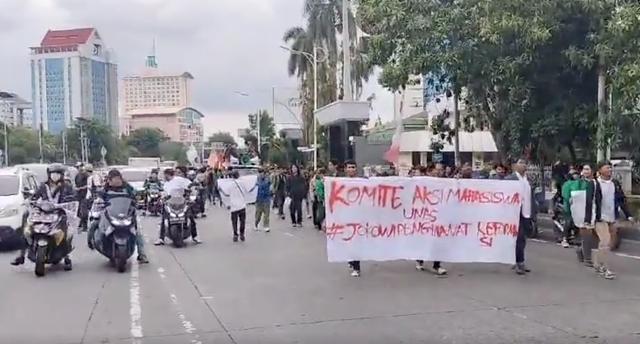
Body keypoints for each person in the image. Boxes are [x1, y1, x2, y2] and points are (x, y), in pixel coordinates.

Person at [11, 163, 75, 269]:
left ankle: (67, 257)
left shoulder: (66, 187)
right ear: (49, 174)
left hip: (59, 212)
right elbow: (35, 196)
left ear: (62, 175)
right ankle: (21, 255)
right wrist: (29, 201)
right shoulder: (43, 186)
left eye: (58, 173)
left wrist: (69, 203)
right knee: (27, 224)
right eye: (53, 173)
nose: (55, 176)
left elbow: (72, 197)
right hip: (44, 212)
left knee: (65, 231)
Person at [89, 169, 149, 263]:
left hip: (126, 214)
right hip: (109, 214)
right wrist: (99, 200)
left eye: (118, 179)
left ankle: (142, 254)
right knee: (94, 224)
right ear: (109, 180)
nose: (117, 181)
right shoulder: (105, 189)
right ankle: (92, 242)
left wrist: (136, 201)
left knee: (136, 232)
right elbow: (99, 197)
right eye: (114, 179)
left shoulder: (127, 188)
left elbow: (135, 196)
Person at [155, 167, 200, 245]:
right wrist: (161, 199)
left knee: (190, 217)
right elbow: (164, 193)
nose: (164, 177)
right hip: (170, 203)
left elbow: (190, 185)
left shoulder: (179, 180)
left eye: (165, 175)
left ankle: (195, 236)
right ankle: (161, 238)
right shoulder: (166, 184)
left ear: (167, 175)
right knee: (164, 218)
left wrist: (192, 193)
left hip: (181, 202)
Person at [507, 160, 535, 275]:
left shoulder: (527, 179)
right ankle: (519, 262)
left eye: (524, 164)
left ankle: (519, 261)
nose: (523, 165)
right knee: (519, 237)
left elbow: (530, 197)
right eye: (520, 163)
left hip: (526, 212)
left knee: (522, 239)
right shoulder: (511, 179)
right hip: (515, 213)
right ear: (515, 166)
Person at [218, 170, 255, 242]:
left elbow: (226, 194)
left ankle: (235, 235)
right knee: (242, 221)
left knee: (234, 222)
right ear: (238, 175)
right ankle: (242, 234)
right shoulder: (243, 183)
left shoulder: (230, 184)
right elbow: (248, 190)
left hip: (234, 206)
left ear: (232, 176)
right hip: (242, 205)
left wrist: (221, 190)